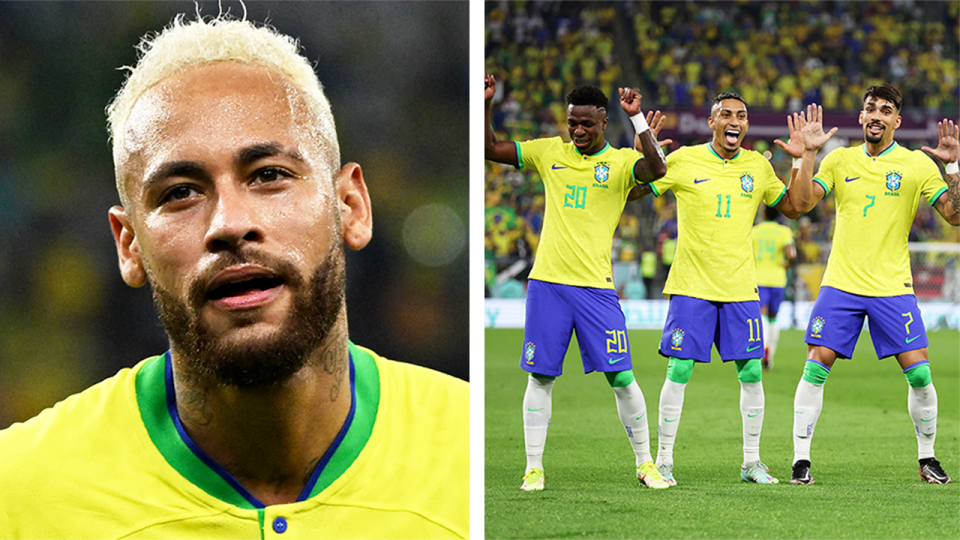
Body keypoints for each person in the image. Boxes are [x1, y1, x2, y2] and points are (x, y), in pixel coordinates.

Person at [0, 15, 468, 538]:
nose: (230, 224)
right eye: (180, 191)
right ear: (128, 245)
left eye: (269, 175)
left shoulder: (480, 461)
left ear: (350, 206)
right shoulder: (19, 497)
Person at [485, 72, 670, 490]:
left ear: (605, 121)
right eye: (573, 123)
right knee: (540, 377)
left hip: (597, 289)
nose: (578, 130)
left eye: (587, 123)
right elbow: (490, 148)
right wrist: (485, 103)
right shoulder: (550, 152)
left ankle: (646, 464)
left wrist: (638, 120)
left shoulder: (622, 162)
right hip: (548, 284)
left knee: (622, 377)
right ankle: (534, 467)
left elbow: (657, 168)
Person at [640, 93, 820, 486]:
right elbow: (638, 189)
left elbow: (794, 206)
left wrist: (800, 158)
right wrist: (645, 154)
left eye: (741, 115)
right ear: (712, 121)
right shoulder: (685, 159)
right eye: (726, 114)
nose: (734, 121)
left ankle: (751, 462)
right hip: (692, 284)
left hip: (741, 286)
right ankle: (664, 460)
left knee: (752, 372)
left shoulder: (757, 166)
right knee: (680, 368)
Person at [787, 83, 957, 486]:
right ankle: (800, 461)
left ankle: (928, 457)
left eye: (885, 109)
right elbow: (800, 205)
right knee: (816, 365)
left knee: (919, 375)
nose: (876, 115)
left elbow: (955, 215)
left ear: (896, 120)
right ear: (861, 117)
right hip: (841, 283)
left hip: (892, 285)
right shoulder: (839, 159)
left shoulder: (916, 165)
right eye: (870, 108)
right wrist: (807, 155)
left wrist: (952, 168)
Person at [752, 204, 798, 370]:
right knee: (773, 317)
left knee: (761, 314)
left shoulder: (754, 231)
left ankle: (763, 347)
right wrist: (786, 264)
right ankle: (769, 357)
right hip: (778, 280)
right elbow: (791, 254)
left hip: (759, 278)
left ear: (764, 215)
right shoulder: (784, 232)